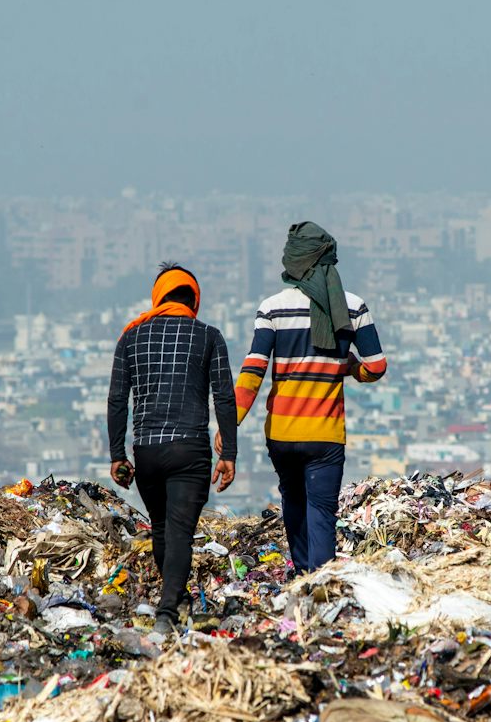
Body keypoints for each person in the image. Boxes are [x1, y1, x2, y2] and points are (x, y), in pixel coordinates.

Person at [229, 221, 387, 573]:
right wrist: (346, 368)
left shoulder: (271, 308)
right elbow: (376, 367)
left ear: (292, 261)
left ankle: (301, 575)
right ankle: (321, 586)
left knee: (294, 505)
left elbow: (253, 371)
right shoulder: (352, 306)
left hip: (282, 434)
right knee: (321, 512)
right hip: (325, 434)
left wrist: (229, 423)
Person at [106, 264, 238, 638]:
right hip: (189, 449)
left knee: (163, 528)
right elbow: (224, 397)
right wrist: (229, 451)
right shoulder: (209, 336)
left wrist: (118, 455)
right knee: (180, 530)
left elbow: (118, 400)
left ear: (159, 297)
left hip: (147, 449)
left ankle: (176, 603)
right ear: (194, 298)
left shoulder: (130, 338)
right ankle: (167, 612)